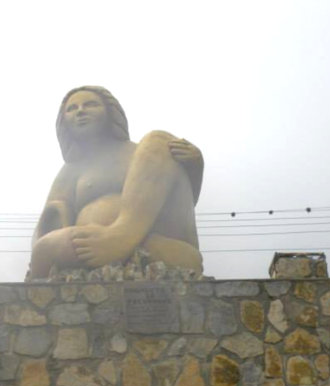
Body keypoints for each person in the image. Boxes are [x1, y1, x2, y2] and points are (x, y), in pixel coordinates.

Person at [27, 85, 204, 278]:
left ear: (111, 113)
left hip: (161, 243)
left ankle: (121, 235)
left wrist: (195, 166)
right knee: (44, 247)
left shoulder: (142, 153)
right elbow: (46, 225)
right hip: (91, 245)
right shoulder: (71, 170)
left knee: (159, 140)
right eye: (72, 108)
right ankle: (114, 241)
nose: (80, 111)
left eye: (90, 104)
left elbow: (183, 205)